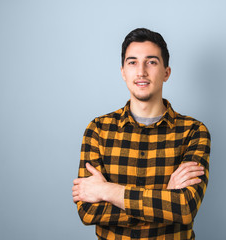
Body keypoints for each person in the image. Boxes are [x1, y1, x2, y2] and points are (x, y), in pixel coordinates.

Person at [72, 28, 211, 239]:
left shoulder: (193, 131)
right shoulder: (98, 129)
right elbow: (88, 211)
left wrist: (107, 191)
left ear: (166, 72)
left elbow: (184, 207)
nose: (141, 72)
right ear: (123, 72)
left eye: (151, 62)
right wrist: (164, 199)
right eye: (132, 62)